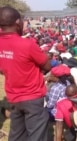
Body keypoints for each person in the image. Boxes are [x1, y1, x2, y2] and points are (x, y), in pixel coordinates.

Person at [0, 6, 51, 141]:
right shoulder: (27, 44)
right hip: (32, 97)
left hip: (13, 97)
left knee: (17, 136)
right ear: (17, 22)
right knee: (36, 136)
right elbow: (47, 65)